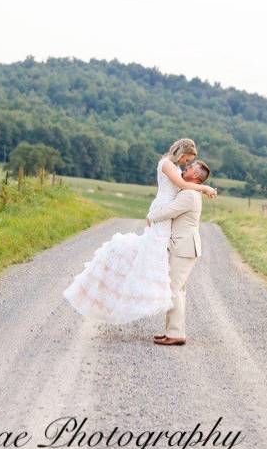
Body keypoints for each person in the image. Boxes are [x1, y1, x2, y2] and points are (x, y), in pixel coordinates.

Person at [63, 138, 216, 324]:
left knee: (157, 254)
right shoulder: (166, 164)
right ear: (182, 154)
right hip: (162, 210)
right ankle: (125, 289)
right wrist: (205, 188)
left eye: (188, 163)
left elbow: (183, 188)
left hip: (167, 214)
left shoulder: (175, 168)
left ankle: (154, 296)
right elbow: (183, 186)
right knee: (151, 249)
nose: (186, 164)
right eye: (187, 160)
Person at [147, 160, 210, 346]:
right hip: (183, 246)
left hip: (184, 247)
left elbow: (170, 211)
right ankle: (172, 332)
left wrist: (151, 216)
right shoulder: (190, 191)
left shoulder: (190, 194)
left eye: (190, 168)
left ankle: (175, 334)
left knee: (173, 289)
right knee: (177, 289)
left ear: (196, 176)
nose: (185, 168)